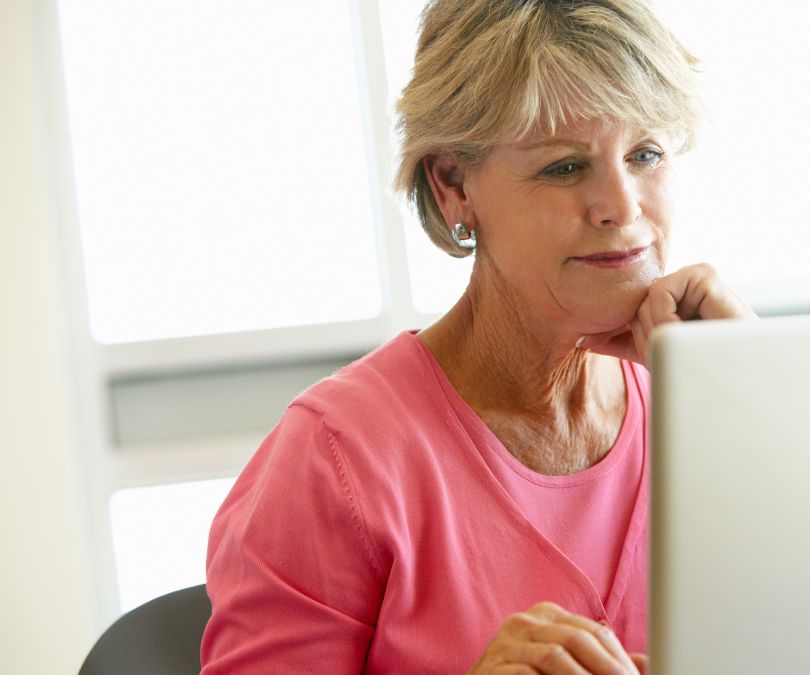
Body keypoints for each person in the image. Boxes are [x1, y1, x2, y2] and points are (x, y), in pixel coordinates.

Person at [200, 0, 756, 672]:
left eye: (644, 153)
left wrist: (760, 399)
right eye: (564, 167)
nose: (623, 205)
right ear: (453, 184)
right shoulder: (336, 456)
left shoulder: (710, 402)